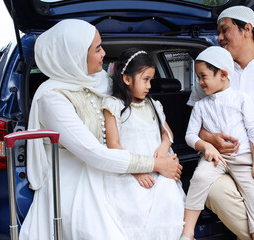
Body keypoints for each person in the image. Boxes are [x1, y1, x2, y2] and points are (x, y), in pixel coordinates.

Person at [19, 19, 182, 240]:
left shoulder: (100, 81)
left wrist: (163, 151)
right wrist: (157, 164)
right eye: (97, 49)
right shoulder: (52, 98)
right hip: (75, 180)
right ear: (74, 55)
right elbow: (95, 154)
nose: (104, 53)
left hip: (112, 169)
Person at [187, 6, 254, 240]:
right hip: (217, 166)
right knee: (211, 191)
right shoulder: (211, 72)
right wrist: (211, 139)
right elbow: (194, 125)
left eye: (224, 30)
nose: (219, 37)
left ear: (247, 29)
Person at [102, 48, 185, 239]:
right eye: (145, 79)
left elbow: (168, 133)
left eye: (151, 80)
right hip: (129, 172)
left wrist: (164, 147)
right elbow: (114, 146)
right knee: (135, 208)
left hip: (159, 171)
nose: (149, 85)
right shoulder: (113, 106)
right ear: (127, 79)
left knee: (170, 201)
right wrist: (137, 171)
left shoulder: (153, 104)